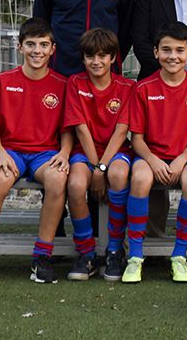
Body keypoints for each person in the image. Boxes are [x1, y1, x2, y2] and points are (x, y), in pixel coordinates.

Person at [0, 18, 70, 284]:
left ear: (53, 49)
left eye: (43, 45)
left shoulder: (63, 84)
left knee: (58, 179)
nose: (37, 51)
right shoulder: (3, 81)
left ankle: (42, 257)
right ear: (20, 47)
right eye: (31, 44)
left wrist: (65, 153)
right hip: (10, 151)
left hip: (45, 154)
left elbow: (68, 130)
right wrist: (0, 154)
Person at [121, 22, 187, 284]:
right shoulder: (143, 88)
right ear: (156, 52)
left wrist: (182, 160)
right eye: (166, 50)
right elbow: (136, 139)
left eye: (180, 50)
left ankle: (179, 256)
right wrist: (153, 160)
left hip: (186, 156)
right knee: (140, 178)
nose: (173, 56)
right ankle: (135, 256)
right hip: (150, 155)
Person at [62, 28, 135, 281]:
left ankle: (115, 249)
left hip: (116, 151)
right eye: (90, 56)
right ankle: (86, 253)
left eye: (103, 56)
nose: (96, 61)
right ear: (83, 58)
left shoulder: (127, 86)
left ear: (113, 58)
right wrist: (95, 169)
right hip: (85, 152)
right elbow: (81, 130)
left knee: (119, 175)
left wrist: (101, 169)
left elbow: (122, 131)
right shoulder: (75, 83)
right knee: (75, 185)